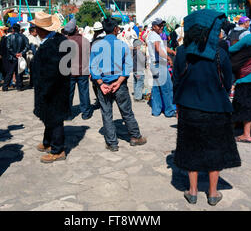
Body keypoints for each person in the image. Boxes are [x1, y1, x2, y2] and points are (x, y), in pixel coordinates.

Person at [173, 9, 241, 206]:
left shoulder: (181, 52)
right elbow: (227, 82)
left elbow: (176, 80)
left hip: (188, 108)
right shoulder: (220, 54)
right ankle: (212, 192)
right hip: (217, 109)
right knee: (215, 150)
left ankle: (192, 191)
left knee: (190, 148)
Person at [90, 18, 147, 152]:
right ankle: (135, 136)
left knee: (106, 113)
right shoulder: (122, 45)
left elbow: (93, 67)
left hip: (103, 84)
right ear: (115, 29)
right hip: (119, 85)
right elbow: (127, 66)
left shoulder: (97, 45)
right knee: (127, 112)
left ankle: (112, 143)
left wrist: (101, 83)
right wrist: (118, 82)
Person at [31, 13, 70, 163]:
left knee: (55, 119)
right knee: (48, 118)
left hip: (53, 89)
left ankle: (57, 150)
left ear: (42, 30)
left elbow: (53, 72)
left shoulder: (53, 44)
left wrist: (45, 91)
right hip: (54, 87)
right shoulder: (58, 40)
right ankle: (47, 142)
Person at [146, 18, 177, 118]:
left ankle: (156, 110)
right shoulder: (154, 36)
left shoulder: (153, 35)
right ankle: (170, 111)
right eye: (159, 26)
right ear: (154, 26)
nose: (161, 27)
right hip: (159, 64)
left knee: (156, 88)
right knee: (167, 88)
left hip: (154, 64)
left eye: (162, 25)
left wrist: (172, 52)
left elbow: (163, 46)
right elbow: (158, 49)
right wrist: (168, 58)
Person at [64, 18, 93, 120]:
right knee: (84, 93)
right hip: (83, 71)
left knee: (68, 94)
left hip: (69, 73)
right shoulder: (85, 41)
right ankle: (86, 113)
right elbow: (90, 56)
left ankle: (67, 114)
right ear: (76, 28)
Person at [3, 24, 29, 91]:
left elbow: (8, 47)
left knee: (10, 72)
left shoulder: (9, 37)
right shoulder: (24, 37)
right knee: (19, 72)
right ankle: (19, 87)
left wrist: (15, 54)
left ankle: (5, 87)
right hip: (20, 57)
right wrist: (21, 53)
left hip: (12, 57)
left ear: (13, 29)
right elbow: (27, 46)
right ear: (19, 29)